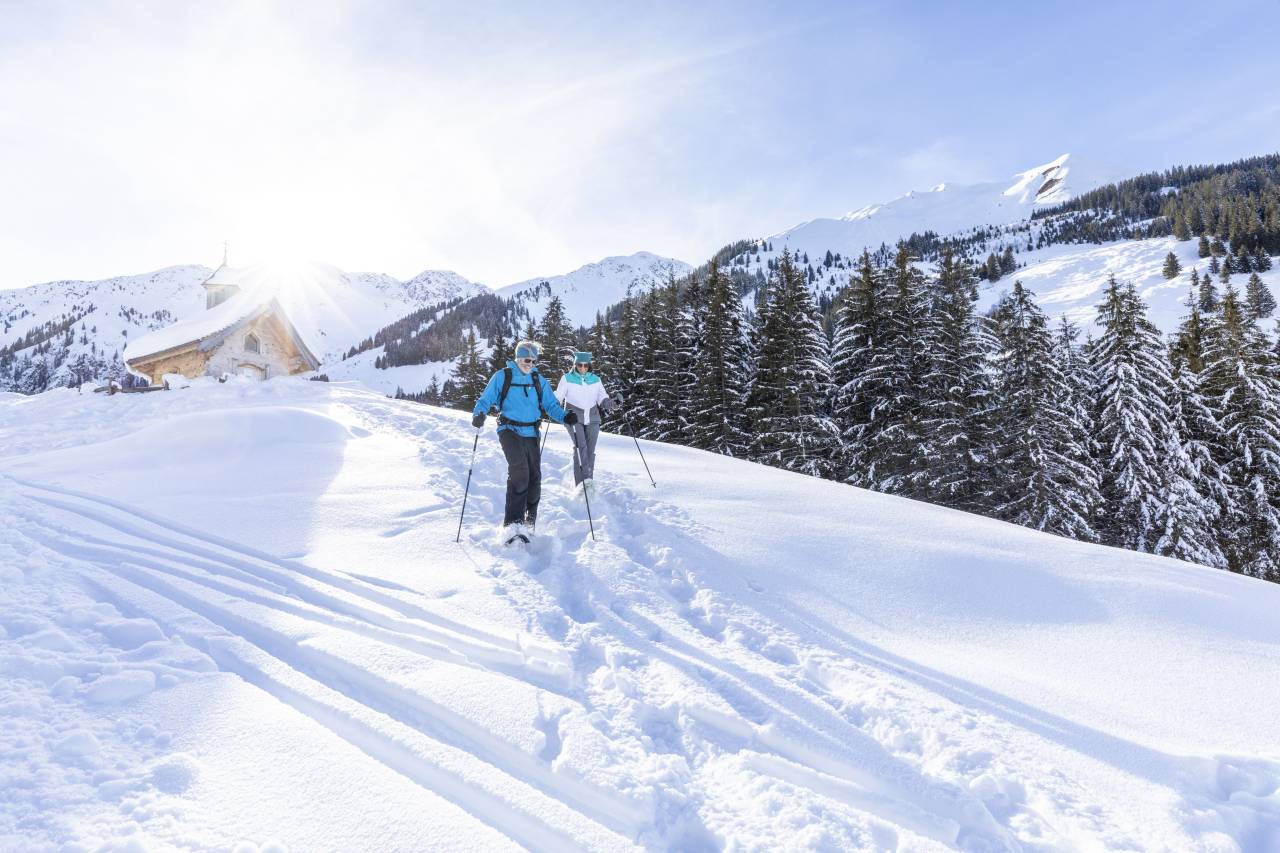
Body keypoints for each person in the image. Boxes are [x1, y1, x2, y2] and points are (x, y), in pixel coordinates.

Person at [471, 340, 577, 544]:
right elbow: (485, 399)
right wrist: (479, 414)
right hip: (509, 429)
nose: (530, 364)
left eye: (533, 360)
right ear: (518, 358)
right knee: (520, 472)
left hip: (531, 431)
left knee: (535, 477)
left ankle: (529, 521)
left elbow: (551, 405)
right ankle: (512, 524)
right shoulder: (503, 376)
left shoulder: (538, 379)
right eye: (526, 360)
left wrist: (564, 417)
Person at [554, 351, 619, 488]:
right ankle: (581, 485)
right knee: (581, 448)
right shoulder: (567, 378)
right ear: (575, 365)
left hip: (593, 418)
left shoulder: (596, 379)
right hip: (573, 418)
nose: (582, 368)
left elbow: (602, 399)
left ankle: (588, 482)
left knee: (590, 451)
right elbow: (558, 397)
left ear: (589, 365)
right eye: (579, 365)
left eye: (585, 365)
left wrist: (614, 403)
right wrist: (553, 403)